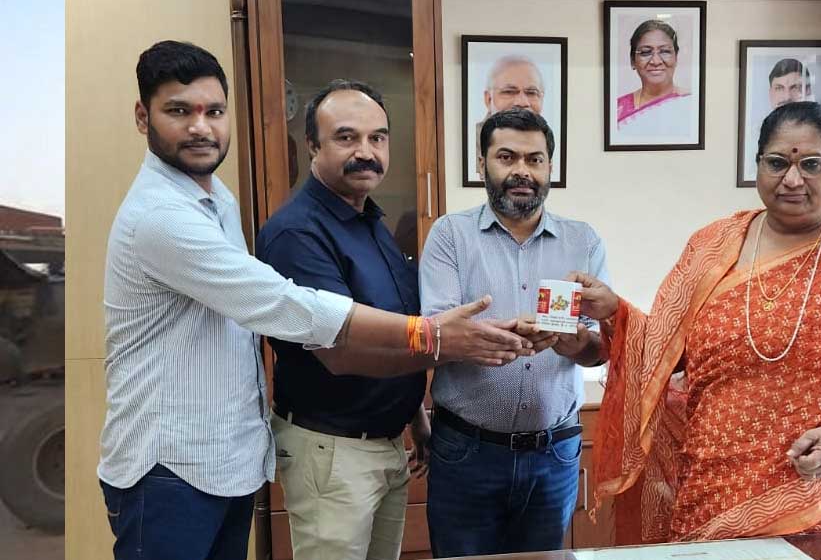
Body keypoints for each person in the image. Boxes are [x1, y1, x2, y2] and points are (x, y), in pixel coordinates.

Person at [99, 41, 529, 560]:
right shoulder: (166, 217)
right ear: (143, 117)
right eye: (178, 111)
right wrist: (433, 337)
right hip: (170, 466)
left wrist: (414, 404)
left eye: (213, 111)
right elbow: (290, 309)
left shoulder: (221, 201)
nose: (200, 127)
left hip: (227, 459)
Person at [572, 101, 821, 544]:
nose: (792, 179)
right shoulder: (714, 245)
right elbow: (666, 351)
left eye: (812, 164)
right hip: (712, 486)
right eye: (777, 163)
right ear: (758, 165)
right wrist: (614, 312)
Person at [257, 79, 439, 560]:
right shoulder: (297, 233)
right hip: (333, 451)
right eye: (346, 137)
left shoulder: (369, 222)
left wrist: (416, 414)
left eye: (377, 138)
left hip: (386, 444)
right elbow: (341, 352)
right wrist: (444, 343)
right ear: (312, 146)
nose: (366, 152)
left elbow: (393, 326)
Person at [420, 108, 611, 557]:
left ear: (550, 167)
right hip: (467, 453)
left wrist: (578, 344)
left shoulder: (583, 242)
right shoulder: (449, 235)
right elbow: (435, 337)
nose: (522, 171)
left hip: (554, 454)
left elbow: (601, 347)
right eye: (506, 157)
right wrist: (505, 335)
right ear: (481, 164)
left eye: (534, 159)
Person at [616, 20, 693, 135]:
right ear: (632, 61)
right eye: (645, 52)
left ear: (676, 58)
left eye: (665, 51)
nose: (656, 61)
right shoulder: (617, 109)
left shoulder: (691, 103)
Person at [473, 55, 546, 175]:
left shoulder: (548, 142)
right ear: (488, 99)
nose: (522, 102)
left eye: (531, 92)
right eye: (509, 92)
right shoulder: (471, 144)